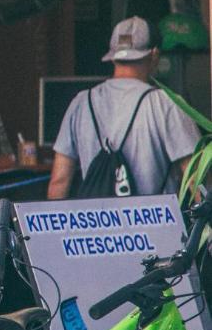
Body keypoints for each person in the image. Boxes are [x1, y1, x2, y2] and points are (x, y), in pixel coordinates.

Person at [48, 16, 200, 199]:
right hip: (155, 225)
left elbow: (59, 181)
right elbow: (195, 180)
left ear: (113, 58)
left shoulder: (81, 103)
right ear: (154, 55)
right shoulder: (166, 103)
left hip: (96, 224)